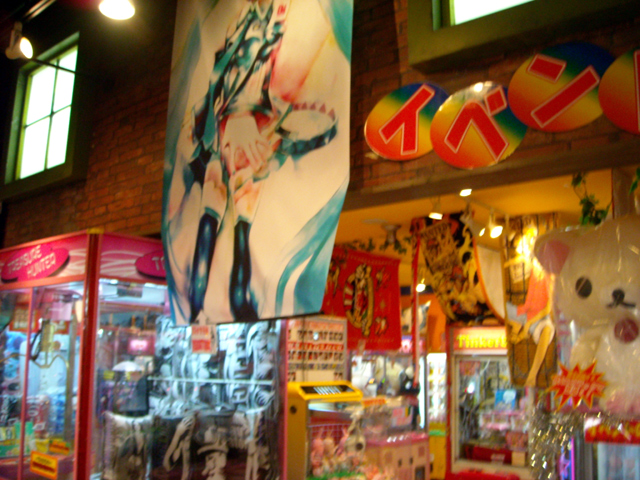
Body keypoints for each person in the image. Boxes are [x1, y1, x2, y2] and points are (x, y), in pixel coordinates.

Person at [166, 0, 343, 324]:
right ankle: (232, 299)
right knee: (237, 214)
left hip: (226, 128)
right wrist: (242, 114)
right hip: (241, 122)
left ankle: (203, 303)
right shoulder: (256, 25)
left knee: (216, 210)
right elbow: (237, 65)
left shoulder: (253, 23)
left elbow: (224, 69)